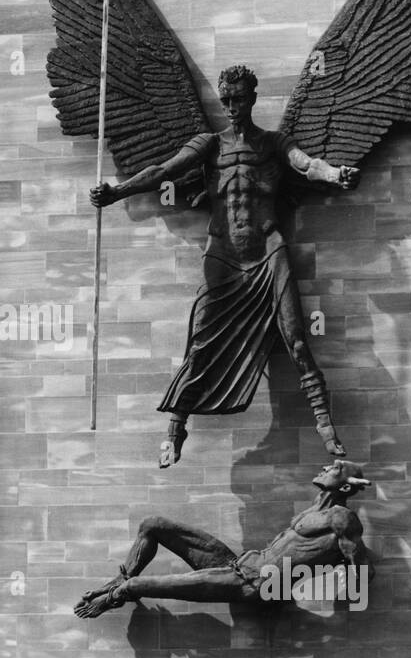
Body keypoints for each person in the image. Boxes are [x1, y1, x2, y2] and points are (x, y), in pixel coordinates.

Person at [90, 65, 358, 468]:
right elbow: (163, 171)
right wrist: (116, 192)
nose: (232, 107)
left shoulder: (272, 143)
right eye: (226, 100)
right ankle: (174, 433)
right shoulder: (209, 145)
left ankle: (326, 428)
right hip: (222, 255)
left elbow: (306, 165)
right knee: (199, 342)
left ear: (253, 98)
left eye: (239, 99)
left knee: (297, 339)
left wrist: (336, 174)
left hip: (268, 248)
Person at [75, 459, 372, 618]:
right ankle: (120, 580)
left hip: (255, 585)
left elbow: (360, 563)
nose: (324, 467)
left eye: (334, 468)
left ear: (346, 487)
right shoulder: (316, 510)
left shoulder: (341, 518)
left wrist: (346, 585)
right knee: (153, 525)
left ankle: (116, 597)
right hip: (240, 566)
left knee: (138, 586)